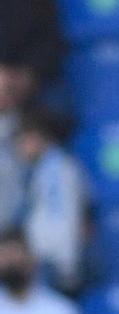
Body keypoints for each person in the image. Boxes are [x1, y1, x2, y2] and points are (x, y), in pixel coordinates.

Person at [5, 109, 83, 293]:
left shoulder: (57, 171)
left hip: (52, 260)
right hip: (45, 259)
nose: (18, 147)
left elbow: (60, 220)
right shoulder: (40, 170)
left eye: (21, 140)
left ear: (38, 138)